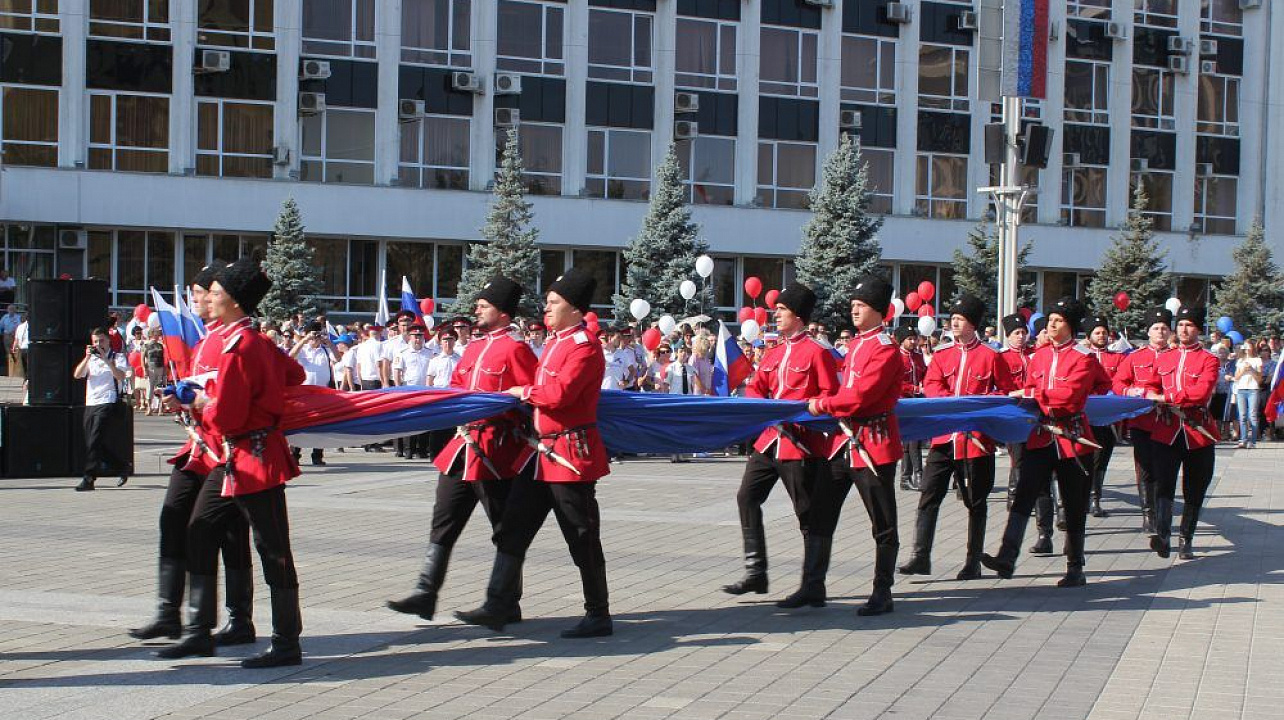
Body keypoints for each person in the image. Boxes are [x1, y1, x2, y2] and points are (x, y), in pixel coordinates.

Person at [455, 268, 614, 638]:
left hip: (569, 456)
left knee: (581, 535)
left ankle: (598, 613)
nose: (547, 308)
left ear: (575, 309)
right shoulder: (557, 342)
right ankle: (500, 604)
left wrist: (521, 393)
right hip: (540, 453)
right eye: (548, 302)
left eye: (554, 303)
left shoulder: (583, 346)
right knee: (512, 527)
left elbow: (558, 395)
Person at [176, 257, 306, 668]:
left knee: (272, 549)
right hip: (242, 459)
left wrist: (197, 400)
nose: (208, 298)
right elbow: (295, 374)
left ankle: (286, 642)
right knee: (202, 530)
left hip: (250, 458)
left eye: (216, 293)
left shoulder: (239, 346)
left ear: (235, 301)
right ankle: (203, 629)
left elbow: (226, 415)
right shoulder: (259, 341)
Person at [389, 278, 537, 621]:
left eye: (483, 306)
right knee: (443, 520)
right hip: (462, 449)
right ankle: (425, 593)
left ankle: (503, 602)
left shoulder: (517, 350)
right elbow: (457, 389)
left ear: (501, 312)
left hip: (495, 452)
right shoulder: (471, 349)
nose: (476, 310)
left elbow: (530, 395)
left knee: (504, 528)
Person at [129, 262, 257, 654]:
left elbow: (231, 394)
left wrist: (198, 400)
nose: (198, 300)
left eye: (202, 293)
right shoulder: (207, 339)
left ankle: (236, 620)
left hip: (225, 449)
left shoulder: (237, 339)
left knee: (229, 534)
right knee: (174, 517)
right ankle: (170, 611)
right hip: (199, 448)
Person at [720, 284, 841, 608]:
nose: (776, 315)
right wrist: (766, 411)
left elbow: (830, 397)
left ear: (798, 316)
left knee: (807, 514)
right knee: (747, 497)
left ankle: (813, 584)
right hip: (769, 441)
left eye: (782, 310)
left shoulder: (818, 353)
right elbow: (756, 389)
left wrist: (806, 409)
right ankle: (756, 571)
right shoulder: (773, 352)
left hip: (799, 446)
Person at [982, 297, 1100, 588]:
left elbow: (1069, 397)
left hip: (1072, 438)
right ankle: (1007, 557)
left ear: (1070, 326)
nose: (1051, 324)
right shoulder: (1040, 355)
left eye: (1058, 320)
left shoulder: (1084, 358)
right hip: (1041, 436)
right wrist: (1028, 393)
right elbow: (1033, 386)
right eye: (1050, 320)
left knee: (1073, 503)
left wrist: (1036, 395)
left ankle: (1075, 565)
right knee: (1024, 494)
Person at [900, 295, 1017, 581]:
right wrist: (951, 406)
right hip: (943, 439)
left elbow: (1006, 392)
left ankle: (972, 561)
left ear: (972, 323)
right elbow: (931, 385)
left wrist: (977, 406)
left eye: (960, 318)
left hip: (976, 442)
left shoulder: (991, 356)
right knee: (929, 495)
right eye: (952, 317)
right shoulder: (943, 355)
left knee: (975, 503)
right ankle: (920, 556)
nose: (954, 322)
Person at [806, 275, 902, 615]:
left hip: (873, 442)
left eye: (861, 306)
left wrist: (825, 404)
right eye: (853, 305)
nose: (854, 310)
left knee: (882, 520)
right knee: (820, 511)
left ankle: (883, 591)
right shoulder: (855, 345)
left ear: (878, 311)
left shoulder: (886, 349)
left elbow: (860, 396)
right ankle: (813, 585)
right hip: (842, 443)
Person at [1143, 307, 1220, 559]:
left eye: (1190, 325)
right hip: (1166, 430)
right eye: (1181, 324)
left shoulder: (1209, 359)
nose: (1184, 330)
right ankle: (1163, 536)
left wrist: (1167, 397)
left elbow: (1201, 392)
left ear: (1198, 329)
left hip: (1197, 432)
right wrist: (1144, 393)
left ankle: (1186, 538)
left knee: (1195, 488)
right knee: (1163, 485)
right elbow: (1151, 384)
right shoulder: (1164, 357)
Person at [1113, 307, 1174, 534]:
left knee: (1165, 470)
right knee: (1145, 469)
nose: (1160, 332)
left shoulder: (1176, 355)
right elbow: (1118, 383)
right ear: (1148, 332)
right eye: (1156, 328)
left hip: (1169, 423)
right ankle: (1148, 514)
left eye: (1164, 328)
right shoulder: (1136, 357)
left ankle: (1162, 513)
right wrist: (1130, 392)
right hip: (1142, 422)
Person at [73, 327, 130, 491]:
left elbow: (120, 376)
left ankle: (89, 477)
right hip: (91, 402)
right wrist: (87, 357)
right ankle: (121, 466)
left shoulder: (117, 357)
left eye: (102, 341)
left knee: (95, 439)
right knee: (93, 442)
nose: (99, 344)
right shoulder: (91, 359)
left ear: (108, 341)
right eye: (95, 341)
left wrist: (106, 359)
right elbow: (77, 375)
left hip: (107, 402)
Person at [1082, 316, 1124, 517]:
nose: (1101, 336)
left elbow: (1119, 382)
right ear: (1089, 336)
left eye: (1104, 333)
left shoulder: (1117, 358)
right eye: (1097, 333)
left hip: (1106, 420)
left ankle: (1095, 498)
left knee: (1101, 460)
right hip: (1082, 418)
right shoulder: (1082, 356)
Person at [997, 313, 1032, 510]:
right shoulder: (1002, 358)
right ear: (1008, 336)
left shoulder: (1033, 355)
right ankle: (1013, 496)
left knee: (1032, 456)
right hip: (1014, 412)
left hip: (1034, 413)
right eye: (1017, 333)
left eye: (1023, 332)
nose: (1021, 336)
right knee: (1017, 456)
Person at [289, 322, 336, 465]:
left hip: (322, 392)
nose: (315, 338)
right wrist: (304, 340)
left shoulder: (325, 350)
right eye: (313, 335)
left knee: (321, 425)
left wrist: (328, 343)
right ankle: (294, 455)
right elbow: (290, 356)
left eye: (317, 334)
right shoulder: (303, 350)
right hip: (304, 392)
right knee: (299, 425)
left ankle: (317, 455)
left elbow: (338, 358)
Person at [391, 323, 436, 458]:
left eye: (420, 337)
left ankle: (421, 450)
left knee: (424, 421)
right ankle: (408, 450)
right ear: (410, 337)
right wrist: (399, 390)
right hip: (408, 391)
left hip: (425, 391)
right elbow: (397, 372)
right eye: (415, 336)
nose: (417, 339)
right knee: (409, 422)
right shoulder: (403, 353)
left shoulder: (430, 353)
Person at [895, 326, 927, 491]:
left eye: (914, 338)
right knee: (913, 439)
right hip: (903, 402)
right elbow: (896, 382)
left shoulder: (918, 356)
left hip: (917, 401)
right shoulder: (896, 357)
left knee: (911, 440)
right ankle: (919, 475)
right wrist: (914, 389)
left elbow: (926, 375)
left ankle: (905, 478)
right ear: (902, 340)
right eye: (910, 339)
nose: (913, 341)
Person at [1232, 341, 1262, 448]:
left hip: (1253, 389)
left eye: (1249, 346)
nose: (1247, 349)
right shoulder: (1240, 360)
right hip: (1241, 389)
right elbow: (1236, 377)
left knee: (1252, 415)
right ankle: (1243, 440)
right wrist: (1243, 370)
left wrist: (1252, 369)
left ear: (1252, 348)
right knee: (1242, 416)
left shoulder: (1257, 360)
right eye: (1246, 347)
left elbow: (1259, 378)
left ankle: (1252, 441)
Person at [142, 327, 167, 415]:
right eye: (156, 335)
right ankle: (149, 408)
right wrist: (144, 370)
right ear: (151, 335)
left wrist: (165, 370)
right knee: (150, 388)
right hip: (150, 368)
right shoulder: (146, 345)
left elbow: (164, 358)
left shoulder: (160, 345)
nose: (157, 336)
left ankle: (160, 409)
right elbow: (142, 359)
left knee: (160, 388)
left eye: (158, 335)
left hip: (160, 367)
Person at [11, 312, 28, 380]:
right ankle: (28, 383)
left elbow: (16, 340)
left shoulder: (19, 327)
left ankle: (26, 381)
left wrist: (13, 348)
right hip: (31, 348)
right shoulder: (34, 327)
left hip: (22, 349)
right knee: (32, 367)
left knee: (25, 367)